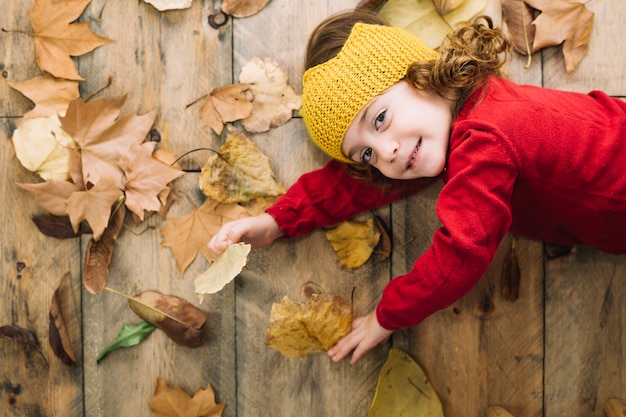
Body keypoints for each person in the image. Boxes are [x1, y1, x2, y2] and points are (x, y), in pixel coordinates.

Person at [208, 10, 626, 365]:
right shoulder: (447, 121)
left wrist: (386, 316)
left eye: (379, 120)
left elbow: (460, 257)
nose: (385, 151)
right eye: (365, 153)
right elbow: (357, 186)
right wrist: (275, 221)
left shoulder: (486, 136)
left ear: (421, 76)